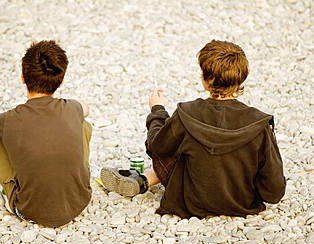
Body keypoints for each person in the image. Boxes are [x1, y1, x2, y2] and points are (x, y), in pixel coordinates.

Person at [101, 40, 286, 219]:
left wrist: (157, 110)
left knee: (177, 141)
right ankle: (144, 180)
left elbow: (157, 146)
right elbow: (274, 191)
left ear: (208, 79)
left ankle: (146, 179)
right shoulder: (259, 124)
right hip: (242, 204)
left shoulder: (187, 113)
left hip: (189, 203)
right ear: (241, 77)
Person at [0, 40, 92, 228]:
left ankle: (12, 187)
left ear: (23, 77)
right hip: (79, 202)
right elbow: (86, 109)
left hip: (30, 210)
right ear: (61, 81)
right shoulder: (72, 107)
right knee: (83, 124)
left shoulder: (11, 119)